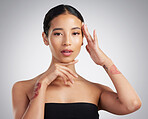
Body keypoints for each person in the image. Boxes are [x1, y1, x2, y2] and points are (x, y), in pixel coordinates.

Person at [12, 4, 142, 119]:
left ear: (82, 39)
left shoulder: (96, 90)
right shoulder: (22, 88)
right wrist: (43, 82)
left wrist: (105, 61)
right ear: (45, 38)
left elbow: (132, 104)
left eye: (75, 33)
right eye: (58, 34)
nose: (67, 42)